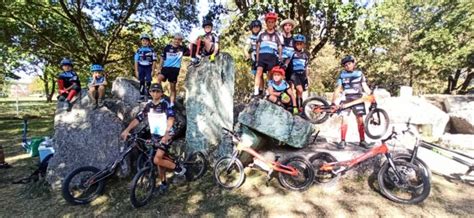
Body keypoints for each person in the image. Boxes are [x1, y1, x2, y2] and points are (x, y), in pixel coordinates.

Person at [120, 83, 185, 194]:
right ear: (150, 93)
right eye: (153, 91)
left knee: (156, 159)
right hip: (155, 135)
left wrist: (166, 134)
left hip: (167, 134)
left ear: (161, 93)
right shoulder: (148, 106)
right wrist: (127, 130)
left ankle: (179, 168)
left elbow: (171, 118)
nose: (155, 93)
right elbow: (138, 119)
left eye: (157, 91)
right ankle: (164, 184)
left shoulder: (165, 103)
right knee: (159, 162)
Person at [331, 55, 372, 149]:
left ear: (354, 64)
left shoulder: (360, 74)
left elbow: (365, 86)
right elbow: (338, 89)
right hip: (346, 98)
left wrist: (371, 94)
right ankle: (342, 141)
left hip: (358, 99)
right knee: (344, 119)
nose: (348, 66)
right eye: (345, 65)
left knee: (360, 120)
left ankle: (362, 140)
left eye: (349, 64)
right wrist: (333, 102)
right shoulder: (342, 75)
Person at [156, 33, 190, 105]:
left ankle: (172, 103)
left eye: (179, 40)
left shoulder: (183, 48)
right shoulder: (167, 47)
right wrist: (159, 68)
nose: (176, 41)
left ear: (181, 41)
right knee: (159, 78)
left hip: (175, 69)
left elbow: (191, 51)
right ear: (173, 39)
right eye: (175, 39)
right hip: (166, 68)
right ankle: (160, 97)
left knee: (172, 87)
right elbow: (162, 58)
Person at [254, 12, 283, 97]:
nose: (270, 24)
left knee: (270, 75)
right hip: (262, 56)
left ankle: (268, 91)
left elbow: (280, 47)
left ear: (274, 23)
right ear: (266, 23)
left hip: (272, 57)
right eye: (269, 22)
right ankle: (256, 91)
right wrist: (257, 59)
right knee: (259, 72)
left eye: (272, 22)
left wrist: (280, 57)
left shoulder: (277, 35)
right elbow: (258, 46)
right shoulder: (262, 34)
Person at [285, 34, 309, 112]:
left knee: (300, 92)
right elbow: (287, 61)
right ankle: (292, 104)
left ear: (303, 45)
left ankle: (299, 107)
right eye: (297, 43)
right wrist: (284, 65)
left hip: (302, 75)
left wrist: (306, 78)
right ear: (295, 44)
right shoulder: (292, 53)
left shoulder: (305, 55)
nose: (299, 45)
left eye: (300, 44)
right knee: (300, 89)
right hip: (294, 74)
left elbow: (306, 67)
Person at [134, 33, 157, 101]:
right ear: (141, 41)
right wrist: (136, 71)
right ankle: (141, 95)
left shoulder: (152, 50)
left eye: (146, 41)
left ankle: (149, 95)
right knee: (141, 81)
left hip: (149, 67)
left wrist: (153, 70)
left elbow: (154, 61)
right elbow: (136, 61)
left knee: (148, 81)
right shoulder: (138, 50)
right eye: (143, 40)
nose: (145, 42)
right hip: (141, 67)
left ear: (149, 42)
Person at [244, 20, 262, 86]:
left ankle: (264, 89)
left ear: (260, 28)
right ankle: (258, 90)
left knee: (262, 73)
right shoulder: (250, 38)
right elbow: (246, 48)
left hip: (262, 55)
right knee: (256, 73)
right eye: (254, 27)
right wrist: (247, 54)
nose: (256, 28)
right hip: (254, 56)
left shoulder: (262, 36)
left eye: (257, 27)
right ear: (251, 28)